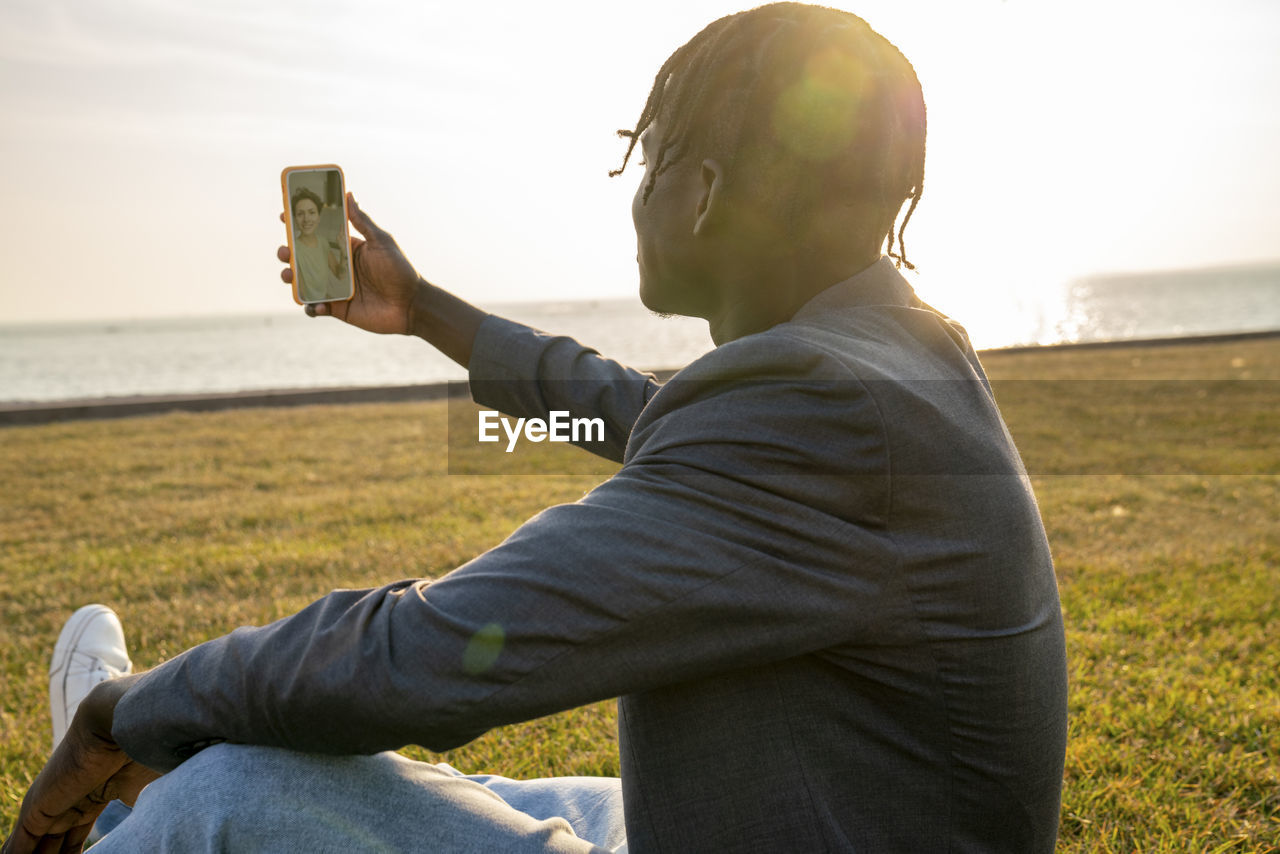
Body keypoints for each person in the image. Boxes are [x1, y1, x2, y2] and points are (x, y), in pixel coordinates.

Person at [4, 4, 1068, 852]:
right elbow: (633, 408)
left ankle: (114, 798)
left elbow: (418, 657)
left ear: (700, 192)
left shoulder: (823, 411)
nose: (635, 189)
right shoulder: (895, 354)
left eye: (643, 159)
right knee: (438, 790)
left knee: (238, 787)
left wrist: (125, 710)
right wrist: (422, 309)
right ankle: (132, 801)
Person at [290, 186, 348, 303]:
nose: (306, 219)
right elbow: (302, 294)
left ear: (319, 217)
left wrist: (343, 251)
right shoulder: (294, 249)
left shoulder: (323, 243)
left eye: (311, 212)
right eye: (300, 214)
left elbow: (340, 275)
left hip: (323, 300)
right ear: (295, 219)